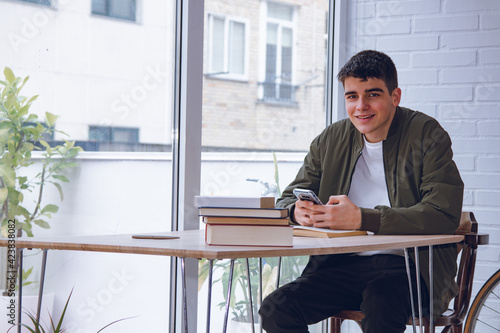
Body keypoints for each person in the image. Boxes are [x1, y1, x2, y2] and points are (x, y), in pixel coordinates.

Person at [259, 50, 464, 333]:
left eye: (373, 94)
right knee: (277, 308)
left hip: (409, 269)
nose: (361, 106)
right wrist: (296, 210)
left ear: (395, 97)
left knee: (380, 302)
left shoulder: (426, 134)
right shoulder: (331, 139)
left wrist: (363, 220)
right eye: (352, 96)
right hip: (340, 266)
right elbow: (288, 197)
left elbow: (443, 213)